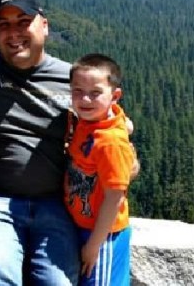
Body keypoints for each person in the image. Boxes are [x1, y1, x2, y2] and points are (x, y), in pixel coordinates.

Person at [0, 0, 82, 285]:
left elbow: (109, 129)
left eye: (23, 21)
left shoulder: (73, 80)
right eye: (3, 25)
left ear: (44, 25)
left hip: (55, 206)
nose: (13, 32)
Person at [64, 54, 133, 286]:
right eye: (77, 91)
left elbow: (114, 197)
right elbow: (123, 121)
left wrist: (94, 246)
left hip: (103, 235)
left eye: (95, 93)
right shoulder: (91, 120)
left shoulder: (111, 142)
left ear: (114, 96)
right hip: (84, 225)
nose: (85, 99)